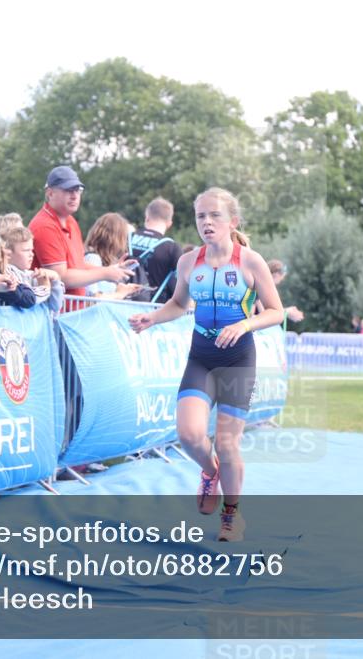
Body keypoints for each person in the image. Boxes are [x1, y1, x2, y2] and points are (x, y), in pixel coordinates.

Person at [128, 187, 284, 542]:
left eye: (215, 215)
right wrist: (152, 318)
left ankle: (232, 515)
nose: (207, 222)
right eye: (201, 216)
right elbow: (178, 304)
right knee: (189, 435)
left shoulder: (250, 261)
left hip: (237, 359)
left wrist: (244, 324)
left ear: (233, 221)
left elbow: (275, 312)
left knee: (228, 444)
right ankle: (210, 470)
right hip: (201, 357)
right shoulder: (188, 262)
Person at [28, 165, 132, 303]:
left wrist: (111, 269)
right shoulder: (45, 226)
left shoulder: (70, 221)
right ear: (50, 193)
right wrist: (105, 273)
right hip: (53, 315)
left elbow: (78, 265)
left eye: (78, 190)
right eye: (68, 190)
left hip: (70, 313)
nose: (74, 195)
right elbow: (60, 277)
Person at [129, 197, 182, 303]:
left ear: (147, 218)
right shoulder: (172, 247)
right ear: (169, 223)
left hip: (120, 304)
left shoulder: (127, 238)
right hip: (154, 310)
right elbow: (183, 281)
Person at [3, 226, 65, 313]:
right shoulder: (6, 271)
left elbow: (55, 306)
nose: (31, 254)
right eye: (25, 250)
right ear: (8, 254)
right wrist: (44, 288)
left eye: (32, 250)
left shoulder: (34, 275)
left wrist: (55, 279)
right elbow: (23, 295)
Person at [83, 212, 142, 300]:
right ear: (115, 238)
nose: (125, 243)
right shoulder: (93, 258)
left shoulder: (102, 261)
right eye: (124, 238)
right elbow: (91, 298)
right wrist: (120, 293)